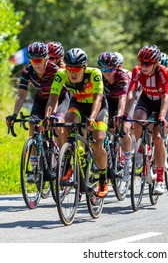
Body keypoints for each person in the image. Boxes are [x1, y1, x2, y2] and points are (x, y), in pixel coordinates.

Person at [45, 48, 109, 198]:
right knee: (68, 122)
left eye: (77, 69)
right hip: (78, 104)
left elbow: (98, 99)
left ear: (84, 68)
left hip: (97, 107)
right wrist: (49, 115)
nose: (73, 73)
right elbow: (53, 98)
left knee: (98, 140)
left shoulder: (94, 74)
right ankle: (68, 162)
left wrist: (92, 118)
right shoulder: (61, 74)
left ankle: (103, 178)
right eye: (70, 68)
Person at [6, 41, 69, 181]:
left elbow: (55, 97)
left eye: (39, 60)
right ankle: (34, 168)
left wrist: (49, 116)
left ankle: (63, 163)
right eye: (33, 60)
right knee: (32, 124)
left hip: (60, 98)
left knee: (57, 126)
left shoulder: (55, 71)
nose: (36, 63)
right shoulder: (27, 71)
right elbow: (21, 94)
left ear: (46, 59)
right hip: (40, 100)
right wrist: (14, 114)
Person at [122, 44, 168, 195]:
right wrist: (125, 114)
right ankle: (140, 148)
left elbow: (165, 96)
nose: (143, 66)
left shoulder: (164, 72)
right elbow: (131, 92)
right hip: (147, 100)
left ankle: (160, 179)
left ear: (156, 64)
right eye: (141, 62)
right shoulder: (137, 71)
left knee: (158, 137)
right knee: (137, 118)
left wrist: (162, 116)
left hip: (162, 104)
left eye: (147, 63)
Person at [97, 51, 132, 181]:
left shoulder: (122, 76)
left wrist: (120, 116)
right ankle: (111, 154)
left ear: (116, 67)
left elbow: (123, 99)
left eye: (110, 69)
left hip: (125, 101)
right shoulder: (99, 76)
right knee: (108, 126)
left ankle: (128, 161)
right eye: (103, 68)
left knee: (123, 129)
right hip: (109, 101)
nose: (106, 72)